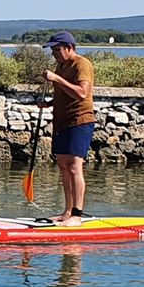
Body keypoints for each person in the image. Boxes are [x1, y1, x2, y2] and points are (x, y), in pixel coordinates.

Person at [42, 31, 96, 225]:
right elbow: (65, 93)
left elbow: (82, 93)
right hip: (62, 122)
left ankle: (77, 215)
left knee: (74, 166)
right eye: (52, 50)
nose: (54, 53)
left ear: (69, 48)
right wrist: (48, 104)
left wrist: (57, 79)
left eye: (57, 49)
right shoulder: (61, 65)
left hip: (79, 121)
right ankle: (67, 212)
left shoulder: (82, 64)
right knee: (63, 166)